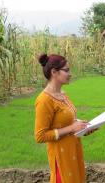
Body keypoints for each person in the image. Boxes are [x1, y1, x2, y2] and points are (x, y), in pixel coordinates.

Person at [34, 54, 89, 183]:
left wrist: (82, 125)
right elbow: (40, 136)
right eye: (67, 70)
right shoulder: (44, 100)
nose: (70, 74)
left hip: (73, 149)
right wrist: (72, 128)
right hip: (61, 155)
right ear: (54, 72)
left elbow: (66, 121)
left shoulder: (62, 94)